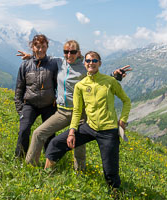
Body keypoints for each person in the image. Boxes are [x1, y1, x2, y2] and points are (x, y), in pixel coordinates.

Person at [20, 41, 132, 169]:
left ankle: (79, 172)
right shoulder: (58, 62)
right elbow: (44, 58)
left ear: (78, 53)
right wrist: (30, 56)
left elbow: (97, 77)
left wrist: (115, 76)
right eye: (66, 52)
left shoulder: (84, 66)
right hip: (62, 112)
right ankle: (30, 167)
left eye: (73, 52)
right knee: (38, 133)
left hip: (80, 113)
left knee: (78, 145)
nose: (69, 54)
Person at [44, 51, 131, 189]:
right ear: (85, 64)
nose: (91, 63)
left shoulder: (110, 82)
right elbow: (77, 111)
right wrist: (72, 132)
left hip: (109, 131)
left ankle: (116, 194)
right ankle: (46, 177)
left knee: (110, 172)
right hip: (89, 127)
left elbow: (126, 101)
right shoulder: (80, 86)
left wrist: (122, 120)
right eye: (88, 61)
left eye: (94, 61)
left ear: (99, 63)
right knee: (56, 143)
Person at [14, 34, 58, 158]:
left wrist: (57, 102)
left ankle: (49, 160)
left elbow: (58, 84)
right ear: (33, 47)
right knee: (24, 130)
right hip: (30, 104)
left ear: (47, 47)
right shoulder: (25, 65)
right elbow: (19, 88)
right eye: (37, 46)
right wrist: (20, 109)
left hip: (49, 105)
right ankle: (19, 158)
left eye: (43, 46)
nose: (40, 49)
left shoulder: (53, 64)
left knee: (49, 133)